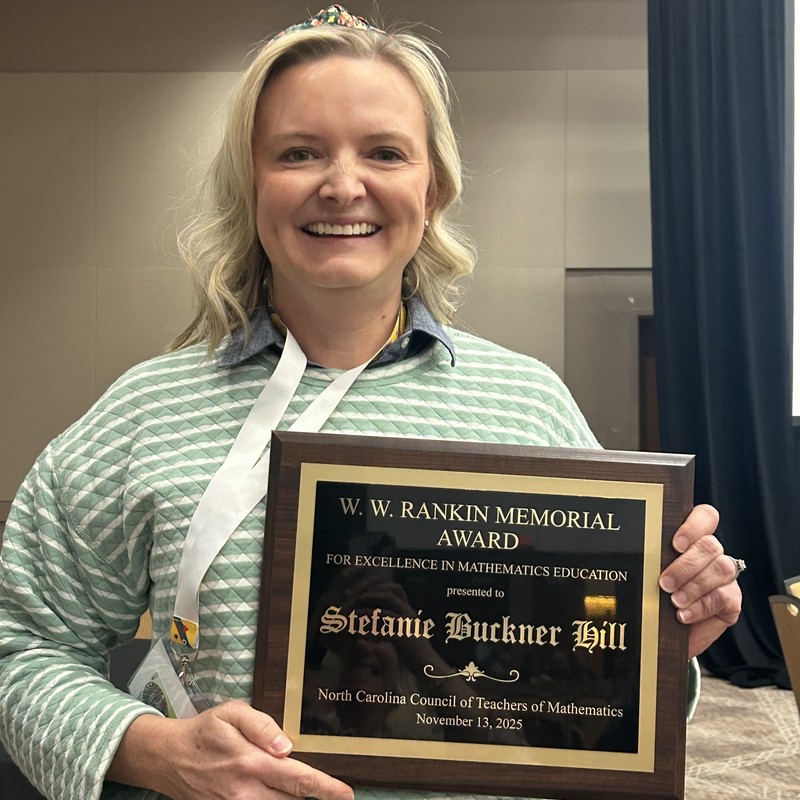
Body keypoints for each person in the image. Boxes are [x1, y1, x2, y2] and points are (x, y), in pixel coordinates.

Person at [0, 6, 742, 800]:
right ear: (251, 185)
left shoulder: (527, 405)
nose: (343, 184)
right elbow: (21, 648)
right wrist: (157, 751)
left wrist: (666, 637)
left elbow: (591, 696)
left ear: (434, 186)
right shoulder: (147, 410)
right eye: (298, 152)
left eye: (385, 152)